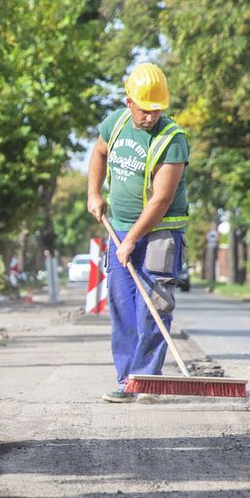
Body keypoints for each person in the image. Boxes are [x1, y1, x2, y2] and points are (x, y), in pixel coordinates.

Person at [86, 63, 189, 403]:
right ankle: (126, 380)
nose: (151, 117)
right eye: (145, 110)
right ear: (129, 101)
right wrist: (94, 193)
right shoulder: (114, 124)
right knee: (122, 306)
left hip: (161, 233)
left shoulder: (172, 140)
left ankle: (147, 381)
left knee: (154, 305)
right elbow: (98, 153)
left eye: (157, 110)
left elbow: (161, 200)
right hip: (118, 227)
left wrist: (132, 239)